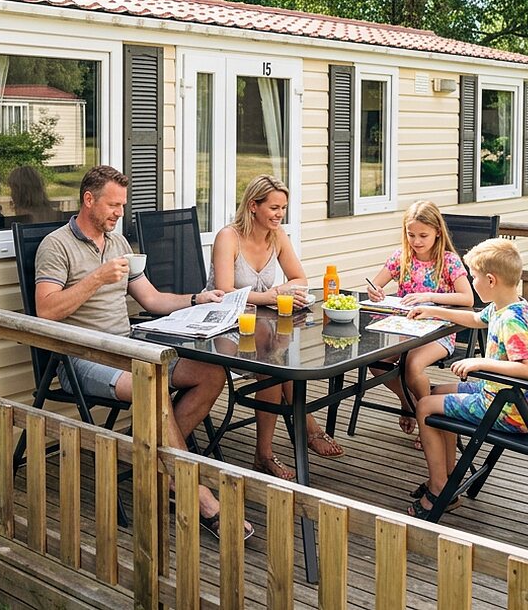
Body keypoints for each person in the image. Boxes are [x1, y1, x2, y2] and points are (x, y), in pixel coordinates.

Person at [34, 165, 252, 539]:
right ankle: (191, 489)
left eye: (123, 205)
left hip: (128, 346)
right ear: (89, 200)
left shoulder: (118, 243)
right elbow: (46, 310)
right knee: (150, 384)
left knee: (210, 373)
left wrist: (197, 299)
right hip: (81, 357)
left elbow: (151, 299)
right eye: (113, 205)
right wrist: (97, 278)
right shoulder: (56, 246)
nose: (120, 213)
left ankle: (154, 461)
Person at [208, 174, 343, 481]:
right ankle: (293, 437)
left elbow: (300, 278)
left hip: (260, 323)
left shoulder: (277, 236)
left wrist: (280, 291)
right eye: (273, 207)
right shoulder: (228, 237)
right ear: (253, 206)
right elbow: (225, 291)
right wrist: (272, 296)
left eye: (283, 208)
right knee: (274, 362)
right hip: (223, 326)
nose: (280, 214)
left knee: (278, 355)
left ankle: (274, 447)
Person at [405, 238, 528, 518]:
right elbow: (475, 319)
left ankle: (439, 489)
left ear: (491, 280)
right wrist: (432, 310)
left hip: (510, 410)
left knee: (424, 406)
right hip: (506, 397)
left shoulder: (511, 320)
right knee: (436, 393)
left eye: (474, 277)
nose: (472, 281)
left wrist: (480, 362)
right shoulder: (509, 305)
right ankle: (447, 477)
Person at [365, 201, 474, 448]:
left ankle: (429, 423)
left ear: (437, 232)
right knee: (376, 362)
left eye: (423, 235)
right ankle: (410, 404)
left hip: (439, 331)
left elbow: (467, 298)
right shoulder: (401, 257)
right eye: (411, 234)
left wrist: (428, 296)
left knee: (412, 365)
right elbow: (375, 284)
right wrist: (375, 291)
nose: (416, 241)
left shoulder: (448, 261)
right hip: (403, 328)